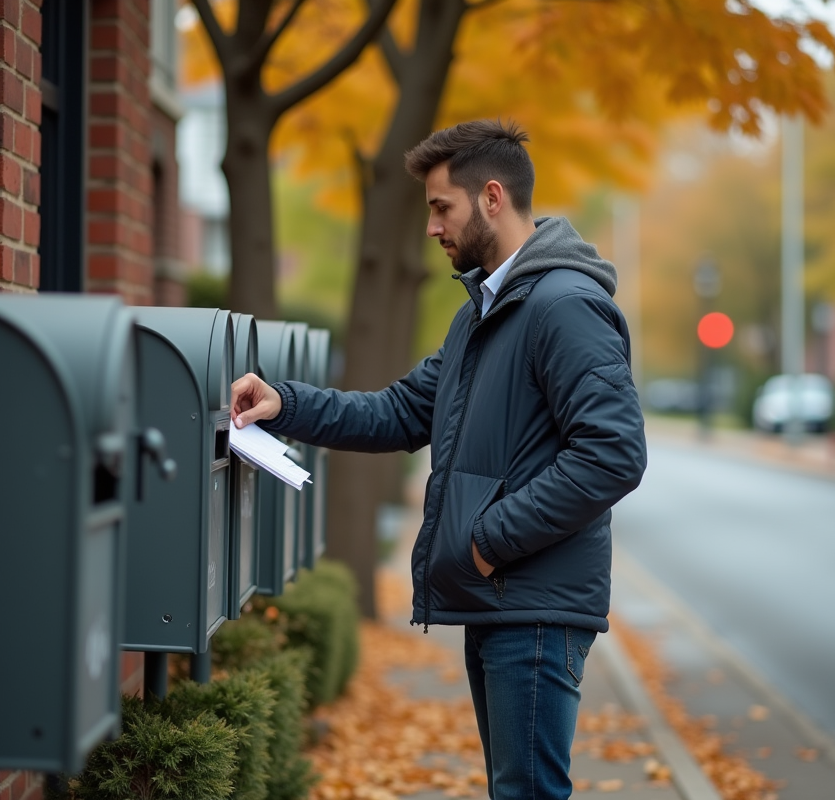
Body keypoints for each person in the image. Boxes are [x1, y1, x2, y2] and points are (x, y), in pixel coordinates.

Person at [231, 119, 646, 800]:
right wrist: (286, 402)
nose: (431, 227)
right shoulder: (482, 315)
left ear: (490, 197)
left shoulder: (563, 306)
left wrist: (488, 540)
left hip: (533, 604)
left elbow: (614, 454)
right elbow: (398, 413)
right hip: (501, 600)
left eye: (439, 206)